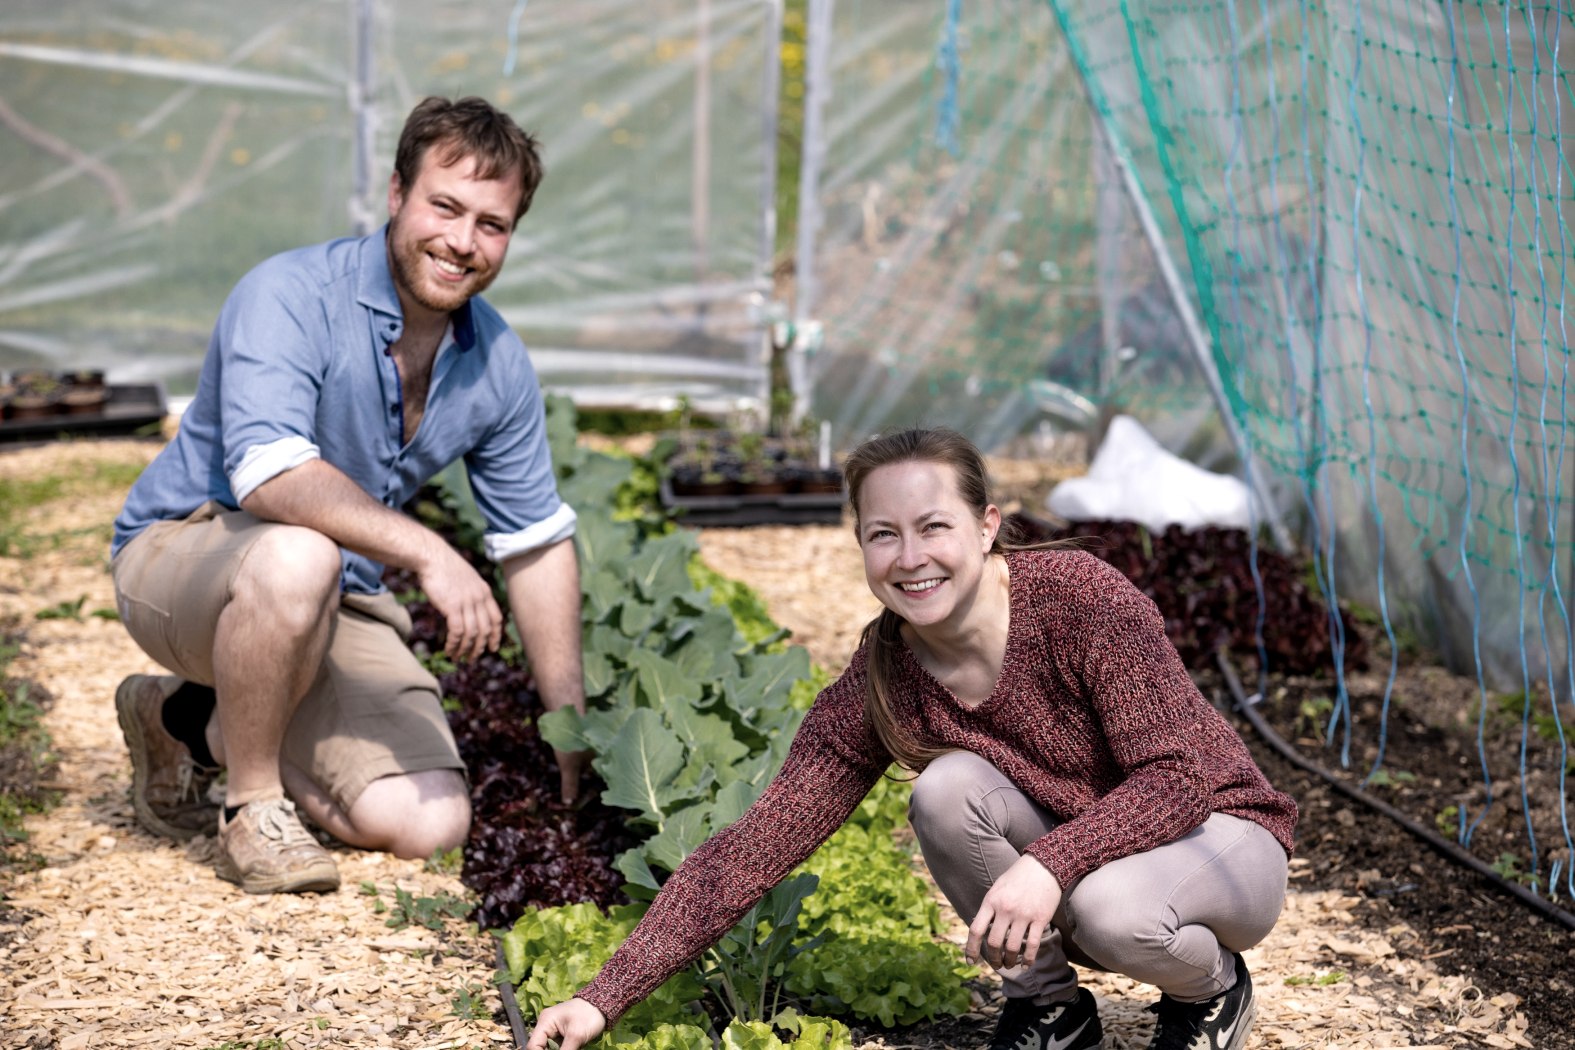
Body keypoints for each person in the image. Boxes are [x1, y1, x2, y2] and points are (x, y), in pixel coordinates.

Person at [527, 427, 1297, 1050]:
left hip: (1219, 836)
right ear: (858, 543)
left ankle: (1211, 992)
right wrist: (602, 997)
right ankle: (1050, 1011)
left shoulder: (1079, 600)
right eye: (882, 535)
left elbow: (1176, 778)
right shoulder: (887, 672)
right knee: (944, 789)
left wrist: (1046, 864)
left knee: (1109, 912)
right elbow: (756, 841)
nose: (910, 558)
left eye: (934, 527)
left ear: (987, 525)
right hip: (1089, 850)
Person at [109, 96, 587, 896]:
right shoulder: (290, 293)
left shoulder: (495, 361)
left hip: (335, 597)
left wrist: (571, 730)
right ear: (397, 193)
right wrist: (429, 551)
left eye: (492, 224)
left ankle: (185, 722)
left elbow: (535, 542)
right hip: (185, 556)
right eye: (445, 206)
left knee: (428, 822)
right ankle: (249, 807)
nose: (462, 243)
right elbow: (268, 473)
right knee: (300, 553)